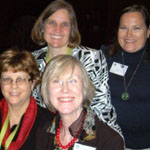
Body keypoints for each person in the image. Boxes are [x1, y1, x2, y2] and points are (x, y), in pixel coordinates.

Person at [31, 0, 121, 134]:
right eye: (52, 23)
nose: (58, 29)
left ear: (72, 29)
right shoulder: (32, 60)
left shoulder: (91, 58)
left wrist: (110, 141)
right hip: (45, 135)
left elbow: (102, 106)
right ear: (42, 26)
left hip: (86, 134)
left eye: (65, 24)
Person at [35, 55, 124, 150]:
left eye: (73, 81)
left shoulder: (110, 141)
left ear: (84, 87)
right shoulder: (42, 133)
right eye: (57, 82)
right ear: (47, 89)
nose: (65, 89)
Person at [100, 4, 150, 149]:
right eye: (123, 28)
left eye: (136, 28)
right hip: (109, 142)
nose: (129, 35)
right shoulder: (104, 57)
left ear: (148, 31)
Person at [0, 48, 51, 150]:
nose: (13, 85)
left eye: (21, 79)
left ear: (32, 83)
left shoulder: (48, 123)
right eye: (7, 79)